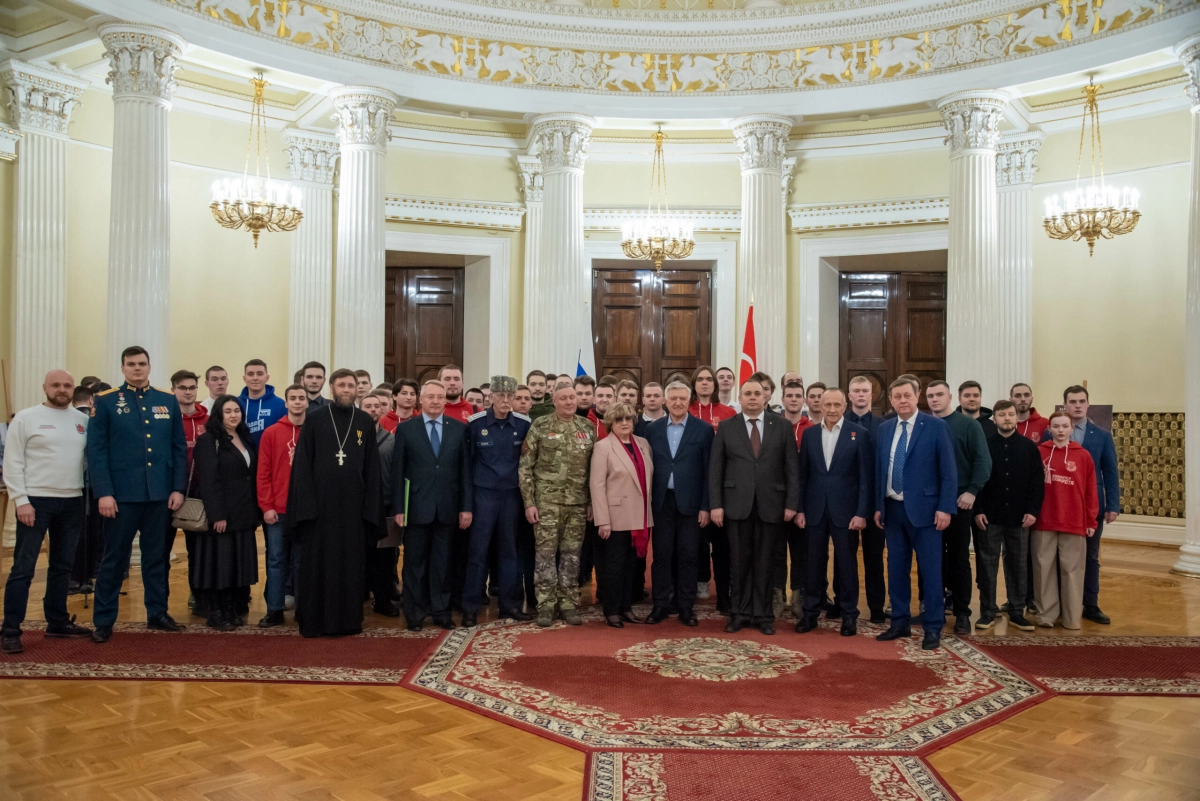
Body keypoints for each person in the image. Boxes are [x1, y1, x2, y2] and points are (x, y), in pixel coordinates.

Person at [89, 347, 187, 644]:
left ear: (149, 366)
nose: (137, 368)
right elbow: (96, 451)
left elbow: (178, 448)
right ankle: (104, 620)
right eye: (131, 364)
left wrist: (178, 488)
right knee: (114, 560)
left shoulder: (167, 400)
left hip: (159, 494)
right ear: (122, 368)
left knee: (156, 558)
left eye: (142, 363)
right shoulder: (106, 401)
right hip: (121, 497)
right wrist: (104, 492)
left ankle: (157, 613)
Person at [287, 368, 383, 637]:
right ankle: (315, 622)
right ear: (332, 387)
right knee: (318, 566)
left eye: (351, 385)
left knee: (350, 567)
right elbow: (303, 466)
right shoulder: (315, 419)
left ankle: (348, 621)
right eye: (342, 385)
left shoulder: (364, 421)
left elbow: (372, 469)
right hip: (320, 510)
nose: (347, 390)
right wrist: (306, 508)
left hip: (353, 510)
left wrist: (369, 510)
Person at [1, 370, 91, 654]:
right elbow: (12, 461)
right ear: (45, 388)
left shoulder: (83, 421)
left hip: (72, 501)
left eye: (67, 385)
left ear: (73, 389)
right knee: (23, 568)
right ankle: (10, 630)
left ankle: (57, 621)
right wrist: (21, 500)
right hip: (35, 501)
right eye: (56, 385)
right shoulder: (26, 418)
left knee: (63, 566)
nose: (62, 389)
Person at [709, 378, 799, 635]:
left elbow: (792, 468)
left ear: (765, 398)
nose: (752, 397)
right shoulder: (727, 427)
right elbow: (716, 469)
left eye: (757, 393)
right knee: (739, 562)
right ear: (740, 398)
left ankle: (763, 615)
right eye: (747, 393)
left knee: (766, 562)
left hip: (772, 504)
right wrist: (716, 505)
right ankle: (739, 613)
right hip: (736, 504)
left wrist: (791, 503)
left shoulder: (782, 426)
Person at [874, 376, 957, 651]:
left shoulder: (936, 427)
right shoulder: (884, 429)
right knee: (896, 569)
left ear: (917, 395)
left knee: (931, 572)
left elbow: (948, 471)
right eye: (897, 397)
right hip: (892, 510)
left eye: (907, 395)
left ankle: (933, 627)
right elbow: (880, 470)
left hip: (928, 513)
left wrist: (945, 507)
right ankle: (899, 622)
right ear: (891, 400)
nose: (902, 400)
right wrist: (878, 506)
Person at [392, 380, 473, 630]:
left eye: (440, 397)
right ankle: (415, 614)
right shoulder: (406, 429)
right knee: (414, 564)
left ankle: (441, 612)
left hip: (448, 508)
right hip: (416, 508)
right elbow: (398, 471)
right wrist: (399, 508)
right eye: (430, 397)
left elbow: (465, 472)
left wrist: (466, 507)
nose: (436, 401)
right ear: (422, 400)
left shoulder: (459, 429)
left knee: (443, 564)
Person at [794, 388, 871, 636]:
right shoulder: (810, 434)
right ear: (820, 405)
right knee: (813, 564)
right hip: (814, 510)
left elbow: (865, 478)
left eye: (837, 404)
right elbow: (803, 476)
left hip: (846, 513)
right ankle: (810, 613)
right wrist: (800, 509)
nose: (832, 409)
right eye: (827, 404)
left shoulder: (859, 434)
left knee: (847, 565)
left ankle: (848, 615)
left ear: (844, 406)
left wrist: (861, 512)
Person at [519, 382, 596, 628]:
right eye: (563, 398)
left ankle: (568, 604)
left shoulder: (587, 427)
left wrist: (592, 503)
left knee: (572, 556)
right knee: (545, 555)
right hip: (546, 504)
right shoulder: (540, 426)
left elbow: (594, 470)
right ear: (554, 401)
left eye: (572, 397)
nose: (569, 402)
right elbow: (525, 467)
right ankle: (546, 605)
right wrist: (529, 502)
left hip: (577, 504)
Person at [463, 376, 531, 625]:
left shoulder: (523, 424)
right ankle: (470, 607)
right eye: (500, 395)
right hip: (483, 496)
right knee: (477, 553)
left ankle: (509, 606)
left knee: (509, 552)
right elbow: (466, 466)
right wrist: (467, 504)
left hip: (511, 496)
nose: (505, 400)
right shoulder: (475, 424)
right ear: (490, 397)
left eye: (510, 396)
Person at [925, 380, 991, 636]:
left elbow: (983, 461)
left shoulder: (968, 425)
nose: (935, 399)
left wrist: (972, 491)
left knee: (959, 557)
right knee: (932, 557)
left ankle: (962, 612)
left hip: (959, 501)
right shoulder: (923, 424)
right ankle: (934, 607)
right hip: (929, 501)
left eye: (939, 394)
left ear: (950, 397)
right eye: (930, 395)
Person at [645, 381, 713, 626]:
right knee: (661, 556)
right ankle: (660, 605)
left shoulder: (703, 430)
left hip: (691, 504)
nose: (677, 403)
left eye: (682, 399)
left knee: (688, 555)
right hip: (661, 502)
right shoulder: (652, 430)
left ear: (689, 401)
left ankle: (686, 607)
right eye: (673, 398)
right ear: (665, 401)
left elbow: (709, 471)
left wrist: (705, 506)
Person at [972, 399, 1043, 631]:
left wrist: (1032, 510)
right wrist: (978, 510)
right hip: (989, 516)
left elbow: (1037, 482)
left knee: (1018, 564)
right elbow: (977, 479)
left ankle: (1016, 611)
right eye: (1002, 415)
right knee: (987, 564)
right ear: (994, 419)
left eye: (1011, 414)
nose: (1007, 418)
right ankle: (987, 611)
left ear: (1016, 417)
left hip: (1020, 517)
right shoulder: (985, 445)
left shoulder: (1029, 447)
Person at [192, 396, 260, 631]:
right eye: (228, 411)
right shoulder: (208, 440)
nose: (233, 415)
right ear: (218, 415)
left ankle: (231, 609)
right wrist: (217, 515)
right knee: (219, 564)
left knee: (236, 564)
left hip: (244, 512)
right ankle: (216, 612)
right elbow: (208, 480)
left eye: (237, 411)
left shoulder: (244, 437)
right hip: (221, 515)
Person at [1054, 385, 1120, 625]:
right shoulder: (1054, 433)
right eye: (1072, 401)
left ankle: (1090, 604)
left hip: (1092, 505)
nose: (1077, 405)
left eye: (1082, 401)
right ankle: (1062, 603)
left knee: (1090, 557)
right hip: (1061, 505)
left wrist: (1113, 505)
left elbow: (1110, 472)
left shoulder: (1101, 436)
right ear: (1065, 405)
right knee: (1060, 556)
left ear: (1088, 404)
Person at [1032, 410, 1099, 630]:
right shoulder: (1039, 452)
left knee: (1072, 571)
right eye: (1056, 426)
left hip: (1074, 521)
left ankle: (1072, 618)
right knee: (1043, 569)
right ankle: (1046, 615)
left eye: (1064, 426)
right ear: (1049, 429)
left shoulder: (1083, 456)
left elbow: (1091, 491)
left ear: (1071, 428)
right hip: (1044, 521)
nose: (1060, 430)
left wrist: (1091, 521)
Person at [589, 403, 653, 628]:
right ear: (610, 423)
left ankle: (626, 607)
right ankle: (612, 610)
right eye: (619, 419)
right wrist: (603, 520)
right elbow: (597, 486)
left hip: (640, 516)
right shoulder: (603, 447)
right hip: (615, 517)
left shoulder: (643, 444)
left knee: (632, 566)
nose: (624, 423)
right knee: (614, 566)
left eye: (628, 418)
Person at [256, 384, 307, 628]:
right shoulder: (272, 432)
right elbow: (263, 473)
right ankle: (274, 609)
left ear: (307, 402)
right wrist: (266, 506)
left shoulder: (314, 431)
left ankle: (302, 609)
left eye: (301, 398)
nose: (297, 402)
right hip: (277, 510)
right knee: (276, 560)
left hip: (305, 511)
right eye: (292, 398)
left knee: (302, 561)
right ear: (285, 403)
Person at [846, 375, 888, 625]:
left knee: (874, 558)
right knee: (845, 556)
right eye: (856, 391)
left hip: (875, 503)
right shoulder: (840, 423)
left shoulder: (884, 426)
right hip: (846, 501)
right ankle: (843, 603)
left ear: (871, 395)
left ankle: (876, 607)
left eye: (865, 391)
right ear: (849, 395)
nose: (861, 395)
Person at [170, 370, 209, 615]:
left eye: (192, 387)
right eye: (182, 387)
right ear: (173, 389)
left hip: (198, 494)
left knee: (197, 550)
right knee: (160, 551)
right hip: (169, 493)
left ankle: (197, 593)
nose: (188, 392)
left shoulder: (208, 420)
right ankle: (159, 603)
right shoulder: (166, 418)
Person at [238, 359, 286, 446]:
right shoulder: (236, 404)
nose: (255, 378)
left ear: (267, 377)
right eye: (250, 374)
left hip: (270, 453)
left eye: (260, 374)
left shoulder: (281, 405)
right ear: (244, 378)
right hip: (241, 454)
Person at [689, 365, 736, 430]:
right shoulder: (685, 411)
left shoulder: (730, 412)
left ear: (715, 384)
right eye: (700, 379)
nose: (704, 383)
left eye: (709, 379)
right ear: (694, 384)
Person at [781, 380, 813, 447]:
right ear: (782, 400)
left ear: (804, 401)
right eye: (789, 396)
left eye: (798, 396)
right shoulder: (774, 428)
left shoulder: (812, 429)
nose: (794, 399)